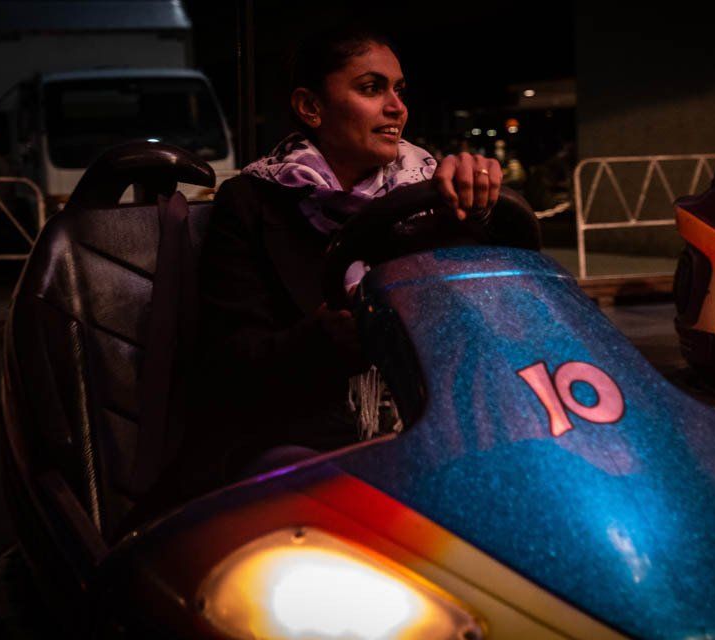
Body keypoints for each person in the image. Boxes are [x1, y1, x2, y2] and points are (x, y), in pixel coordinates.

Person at [172, 25, 504, 496]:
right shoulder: (252, 202)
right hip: (303, 444)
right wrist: (320, 340)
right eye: (371, 88)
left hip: (428, 429)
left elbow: (482, 316)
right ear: (311, 107)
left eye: (399, 90)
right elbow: (228, 362)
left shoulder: (429, 193)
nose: (397, 107)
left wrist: (475, 201)